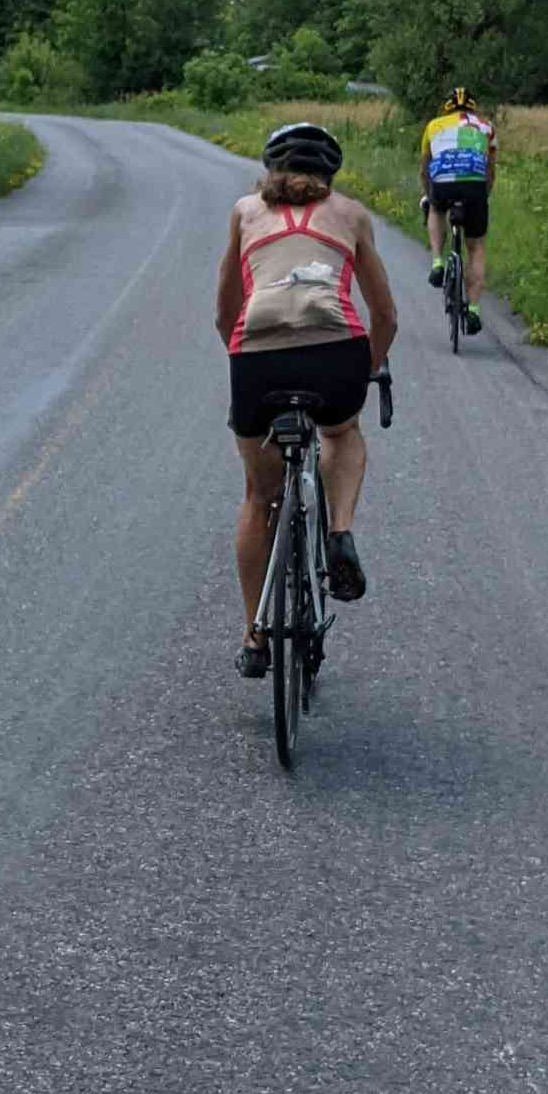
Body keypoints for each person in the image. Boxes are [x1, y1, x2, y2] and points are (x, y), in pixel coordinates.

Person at [215, 121, 398, 678]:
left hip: (257, 357)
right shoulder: (352, 215)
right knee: (341, 432)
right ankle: (339, 530)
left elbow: (225, 312)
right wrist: (365, 369)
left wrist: (244, 358)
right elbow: (385, 316)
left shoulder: (245, 212)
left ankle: (253, 635)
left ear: (270, 171)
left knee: (258, 496)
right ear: (330, 176)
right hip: (334, 349)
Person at [417, 84, 498, 332]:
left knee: (435, 207)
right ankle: (473, 310)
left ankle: (438, 262)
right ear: (473, 107)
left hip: (443, 184)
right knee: (476, 248)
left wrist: (429, 192)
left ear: (447, 107)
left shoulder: (433, 126)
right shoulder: (487, 127)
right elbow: (491, 170)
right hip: (474, 186)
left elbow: (425, 167)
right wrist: (484, 195)